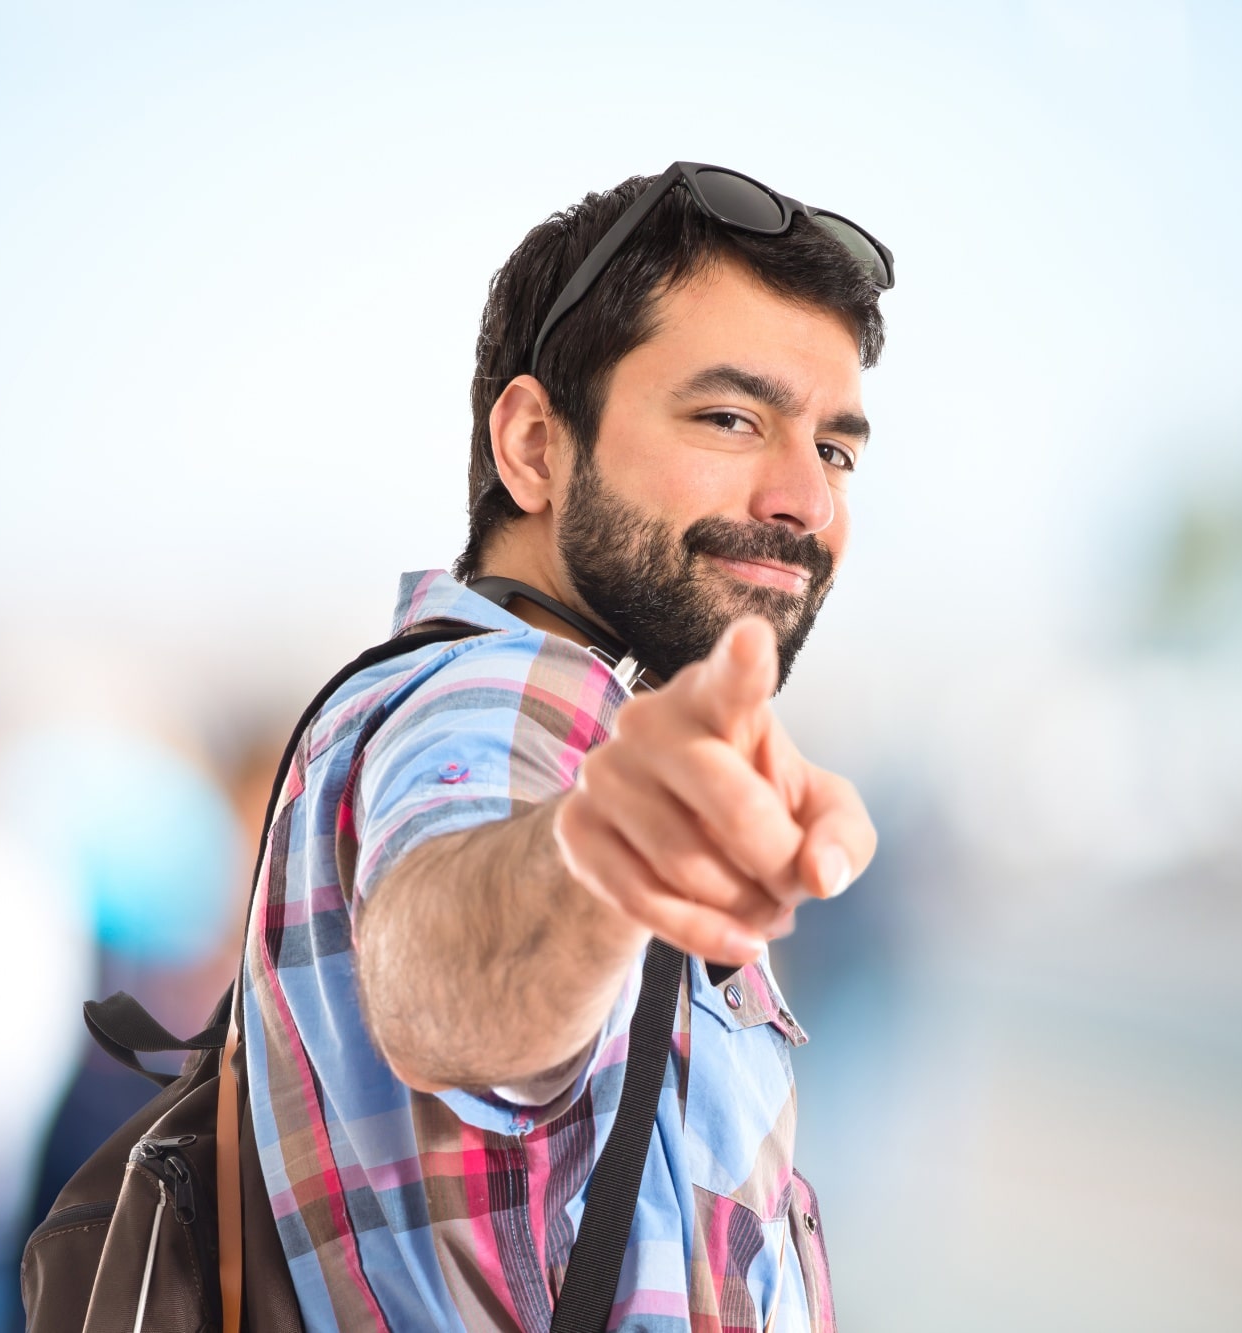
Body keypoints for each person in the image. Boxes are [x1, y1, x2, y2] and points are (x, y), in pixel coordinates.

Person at [244, 162, 889, 1331]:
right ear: (535, 445)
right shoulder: (506, 694)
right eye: (730, 417)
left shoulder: (446, 693)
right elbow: (440, 985)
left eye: (835, 449)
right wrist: (600, 855)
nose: (805, 496)